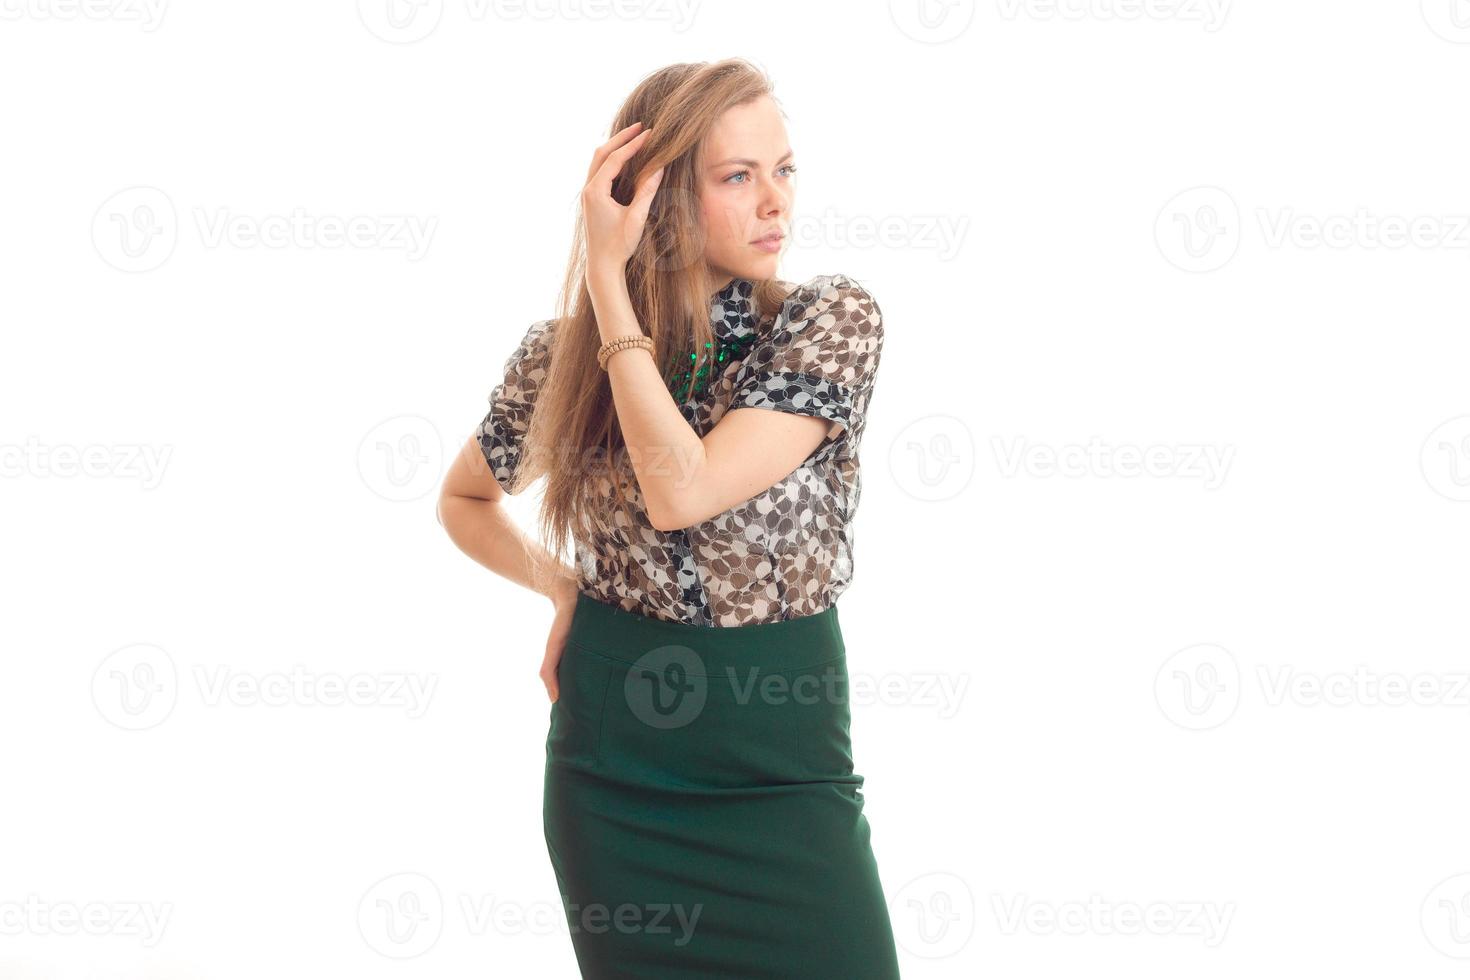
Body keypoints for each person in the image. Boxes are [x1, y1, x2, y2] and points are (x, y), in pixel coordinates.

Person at [437, 57, 901, 978]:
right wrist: (560, 583)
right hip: (618, 776)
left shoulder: (826, 322)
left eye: (785, 169)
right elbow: (465, 500)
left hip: (786, 756)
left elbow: (683, 488)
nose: (776, 202)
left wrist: (607, 293)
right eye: (738, 176)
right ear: (652, 202)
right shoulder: (562, 360)